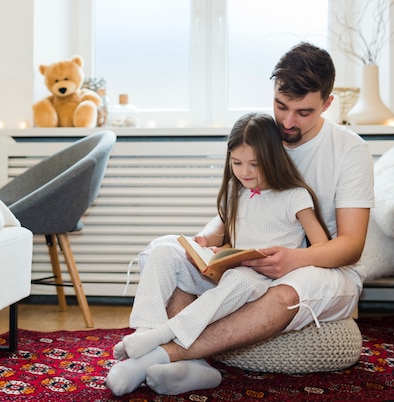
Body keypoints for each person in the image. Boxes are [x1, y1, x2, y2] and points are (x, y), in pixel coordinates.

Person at [107, 42, 375, 396]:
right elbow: (237, 208)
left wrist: (295, 259)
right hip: (249, 262)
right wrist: (205, 240)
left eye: (304, 112)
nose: (289, 121)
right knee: (167, 251)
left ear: (327, 103)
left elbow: (351, 245)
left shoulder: (349, 151)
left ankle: (156, 355)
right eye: (281, 106)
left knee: (282, 292)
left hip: (321, 269)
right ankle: (192, 365)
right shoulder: (264, 135)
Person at [106, 112, 332, 396]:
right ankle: (145, 332)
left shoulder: (295, 196)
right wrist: (212, 249)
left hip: (258, 281)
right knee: (164, 251)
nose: (245, 172)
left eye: (254, 164)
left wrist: (289, 257)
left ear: (273, 158)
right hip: (227, 272)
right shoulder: (235, 192)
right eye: (237, 163)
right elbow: (227, 234)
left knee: (239, 279)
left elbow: (322, 245)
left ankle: (161, 337)